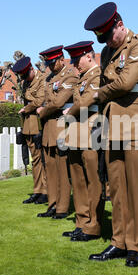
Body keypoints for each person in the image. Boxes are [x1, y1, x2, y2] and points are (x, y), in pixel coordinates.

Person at [84, 2, 138, 267]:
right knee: (116, 186)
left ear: (119, 25)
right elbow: (111, 86)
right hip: (113, 125)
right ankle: (118, 241)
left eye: (108, 36)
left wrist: (98, 94)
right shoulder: (107, 53)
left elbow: (125, 83)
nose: (107, 42)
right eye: (102, 39)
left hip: (137, 123)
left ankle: (135, 246)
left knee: (136, 185)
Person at [61, 41, 105, 242]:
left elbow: (88, 101)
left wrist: (69, 111)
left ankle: (93, 225)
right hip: (77, 132)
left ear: (89, 56)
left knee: (93, 181)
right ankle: (81, 222)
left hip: (90, 131)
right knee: (77, 181)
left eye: (77, 60)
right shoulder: (83, 77)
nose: (75, 64)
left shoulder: (97, 75)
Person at [36, 46, 78, 219]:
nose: (51, 67)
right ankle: (52, 204)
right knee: (51, 172)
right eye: (48, 64)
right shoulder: (49, 78)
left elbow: (58, 102)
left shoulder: (70, 74)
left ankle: (62, 207)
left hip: (61, 127)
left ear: (61, 59)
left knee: (62, 171)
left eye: (53, 63)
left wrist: (43, 111)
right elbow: (49, 100)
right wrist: (47, 107)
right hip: (48, 129)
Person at [12, 57, 48, 205]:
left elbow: (39, 100)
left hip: (38, 124)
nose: (24, 79)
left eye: (26, 75)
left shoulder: (42, 79)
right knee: (35, 161)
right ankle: (37, 191)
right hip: (28, 125)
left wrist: (26, 107)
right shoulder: (25, 82)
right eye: (22, 76)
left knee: (42, 160)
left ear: (31, 69)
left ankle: (46, 191)